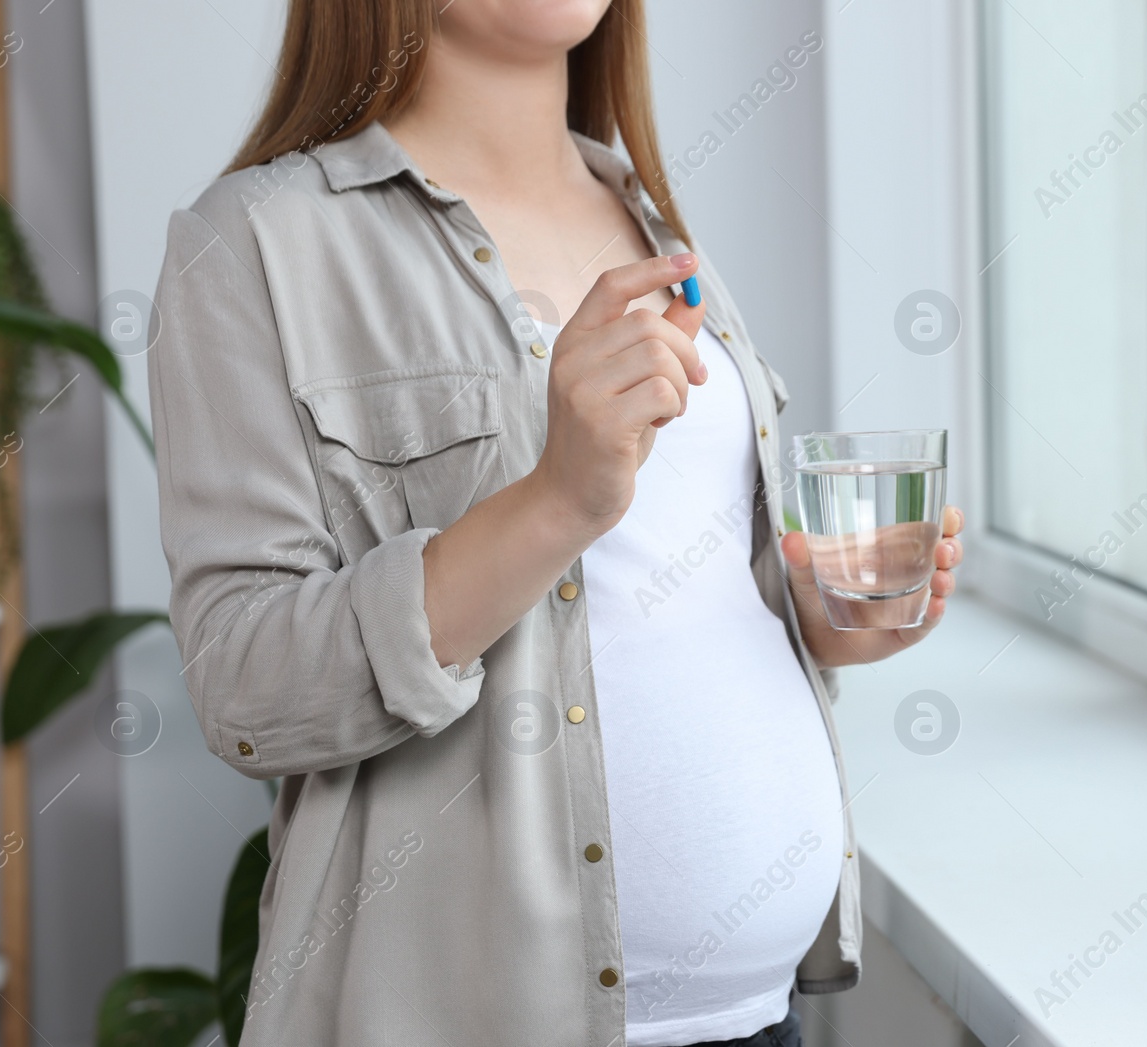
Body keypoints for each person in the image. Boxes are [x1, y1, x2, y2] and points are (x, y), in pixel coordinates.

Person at [148, 2, 964, 1045]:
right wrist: (554, 500)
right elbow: (246, 687)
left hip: (761, 1020)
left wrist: (823, 620)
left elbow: (670, 595)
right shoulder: (258, 240)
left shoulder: (653, 218)